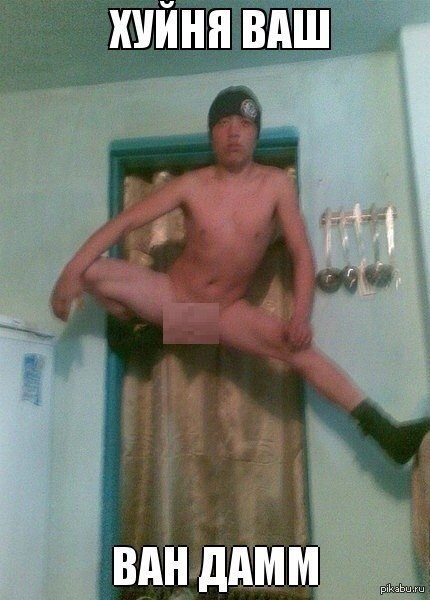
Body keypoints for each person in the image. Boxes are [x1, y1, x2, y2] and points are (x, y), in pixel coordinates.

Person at [51, 85, 430, 464]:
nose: (234, 132)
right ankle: (148, 329)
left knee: (298, 351)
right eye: (223, 123)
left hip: (224, 313)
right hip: (173, 295)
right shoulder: (191, 184)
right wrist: (69, 273)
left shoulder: (276, 185)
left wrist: (300, 316)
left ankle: (388, 435)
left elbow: (301, 254)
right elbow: (125, 222)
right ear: (212, 134)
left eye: (244, 124)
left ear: (256, 134)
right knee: (91, 272)